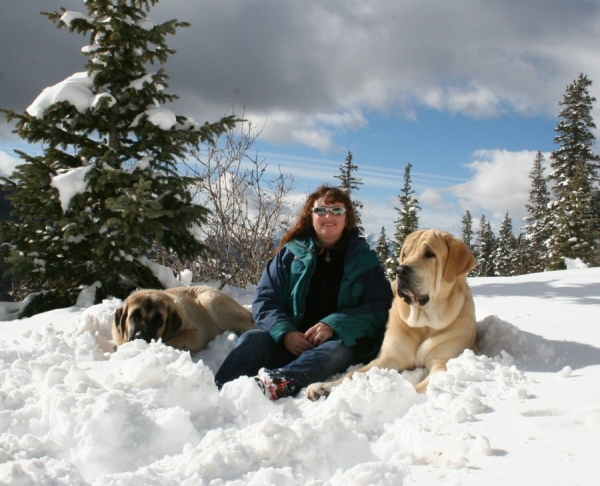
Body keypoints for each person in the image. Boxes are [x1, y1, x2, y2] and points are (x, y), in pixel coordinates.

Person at [214, 184, 393, 399]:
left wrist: (335, 324)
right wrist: (285, 332)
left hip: (338, 344)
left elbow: (381, 308)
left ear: (347, 219)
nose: (329, 216)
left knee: (335, 351)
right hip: (293, 339)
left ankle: (275, 383)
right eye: (321, 210)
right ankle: (216, 390)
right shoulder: (290, 255)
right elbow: (265, 299)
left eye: (337, 210)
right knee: (252, 339)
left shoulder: (366, 263)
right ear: (311, 216)